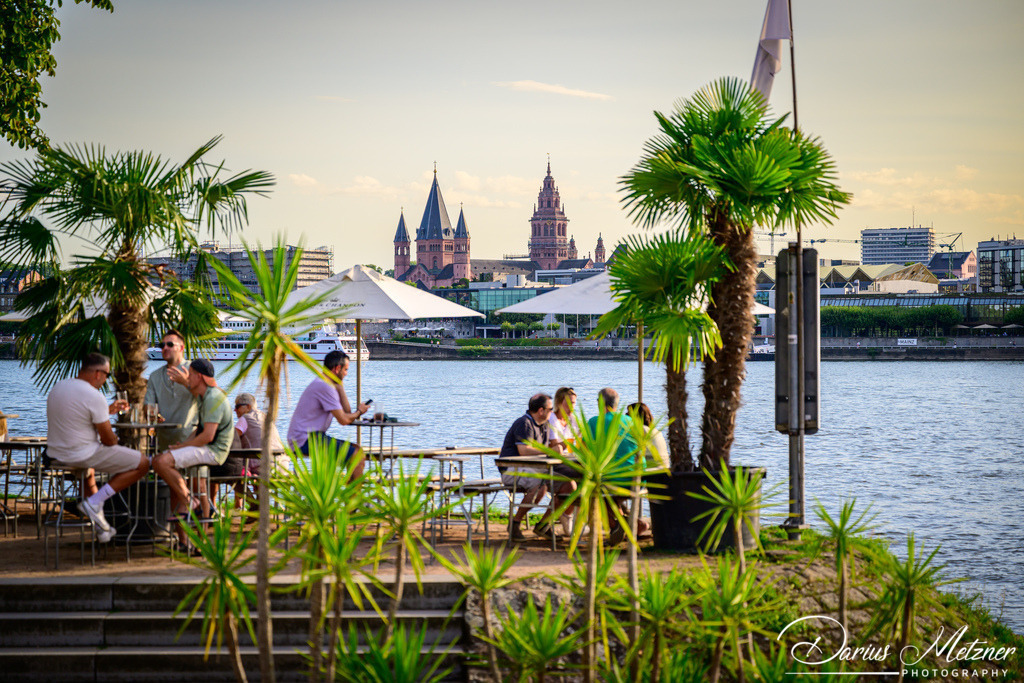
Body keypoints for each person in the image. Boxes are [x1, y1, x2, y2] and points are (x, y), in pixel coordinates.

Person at [46, 353, 150, 543]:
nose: (106, 381)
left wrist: (107, 411)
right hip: (81, 454)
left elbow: (76, 419)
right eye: (107, 375)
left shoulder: (59, 388)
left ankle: (102, 529)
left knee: (89, 474)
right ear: (97, 373)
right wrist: (116, 437)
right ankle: (95, 501)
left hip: (56, 454)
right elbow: (109, 440)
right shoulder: (94, 395)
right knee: (143, 463)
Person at [151, 359, 234, 551]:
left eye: (190, 374)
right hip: (207, 448)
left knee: (161, 462)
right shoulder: (206, 396)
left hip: (214, 451)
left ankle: (189, 500)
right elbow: (199, 430)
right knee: (161, 459)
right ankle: (189, 503)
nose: (188, 377)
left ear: (199, 376)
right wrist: (182, 445)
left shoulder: (213, 398)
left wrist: (183, 447)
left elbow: (208, 435)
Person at [286, 350, 369, 478]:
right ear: (337, 369)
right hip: (305, 440)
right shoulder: (324, 386)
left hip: (312, 437)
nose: (346, 374)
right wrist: (360, 412)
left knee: (358, 450)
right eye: (345, 370)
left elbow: (347, 413)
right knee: (356, 455)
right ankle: (353, 496)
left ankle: (350, 494)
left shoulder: (326, 384)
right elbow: (344, 420)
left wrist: (340, 386)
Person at [586, 388, 644, 545]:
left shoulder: (594, 422)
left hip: (616, 479)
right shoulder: (631, 421)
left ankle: (618, 524)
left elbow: (585, 450)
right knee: (609, 492)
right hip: (639, 479)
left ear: (600, 403)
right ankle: (629, 526)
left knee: (591, 491)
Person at [498, 393, 557, 541]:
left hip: (533, 468)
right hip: (512, 469)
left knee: (568, 485)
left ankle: (544, 524)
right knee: (539, 484)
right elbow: (523, 451)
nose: (553, 412)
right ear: (541, 410)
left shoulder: (544, 426)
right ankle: (515, 523)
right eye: (551, 409)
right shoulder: (524, 423)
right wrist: (550, 451)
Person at [144, 329, 199, 451]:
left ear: (181, 348)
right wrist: (153, 415)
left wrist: (186, 383)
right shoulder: (155, 376)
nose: (165, 348)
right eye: (162, 345)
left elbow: (213, 399)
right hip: (164, 443)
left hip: (192, 442)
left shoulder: (196, 370)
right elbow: (148, 406)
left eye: (170, 344)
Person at [626, 402, 669, 471]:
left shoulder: (639, 430)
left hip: (649, 473)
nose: (626, 417)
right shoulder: (656, 431)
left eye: (628, 414)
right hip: (665, 470)